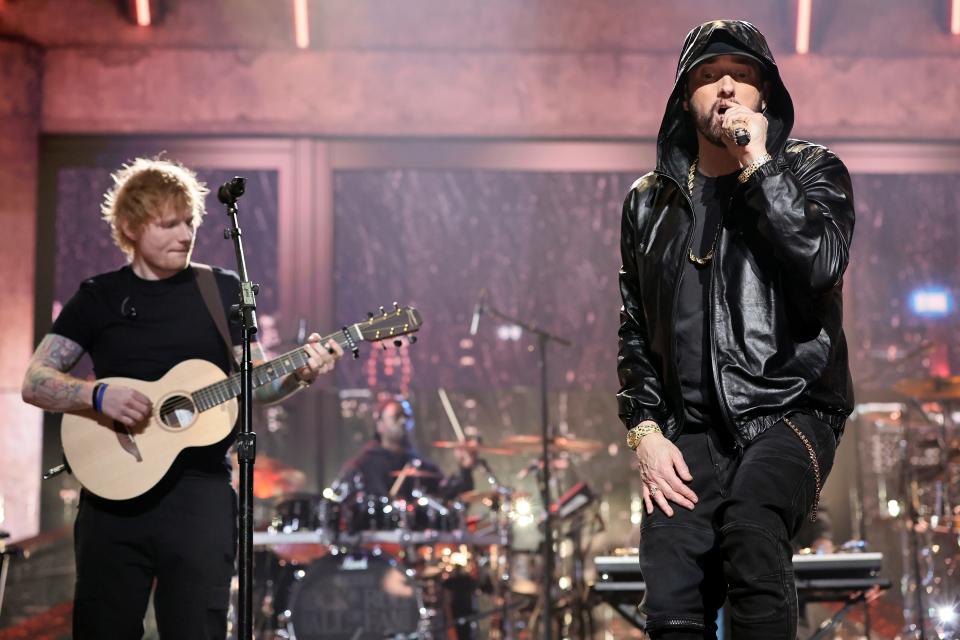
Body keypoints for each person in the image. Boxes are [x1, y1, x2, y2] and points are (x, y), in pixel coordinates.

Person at [20, 157, 343, 640]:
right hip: (112, 501)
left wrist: (300, 373)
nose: (185, 233)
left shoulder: (222, 291)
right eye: (168, 224)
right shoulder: (99, 296)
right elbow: (35, 380)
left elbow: (259, 382)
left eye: (189, 220)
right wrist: (97, 393)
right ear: (130, 227)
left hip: (201, 497)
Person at [617, 20, 855, 639]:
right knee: (668, 582)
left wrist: (758, 163)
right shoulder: (650, 200)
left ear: (765, 96)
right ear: (683, 98)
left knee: (752, 529)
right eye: (707, 76)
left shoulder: (812, 172)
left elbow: (820, 265)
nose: (724, 87)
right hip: (688, 429)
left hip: (788, 411)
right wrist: (644, 430)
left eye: (741, 76)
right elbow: (635, 326)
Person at [335, 396, 476, 501]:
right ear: (380, 424)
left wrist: (465, 470)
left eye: (407, 417)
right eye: (397, 417)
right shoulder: (362, 466)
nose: (403, 421)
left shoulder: (419, 465)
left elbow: (449, 494)